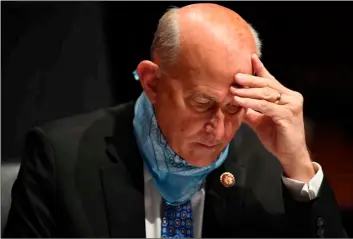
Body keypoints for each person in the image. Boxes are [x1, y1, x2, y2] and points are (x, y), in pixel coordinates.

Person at [3, 3, 347, 238]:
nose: (219, 128)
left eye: (232, 108)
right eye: (202, 102)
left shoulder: (270, 165)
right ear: (152, 82)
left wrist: (299, 164)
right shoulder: (58, 158)